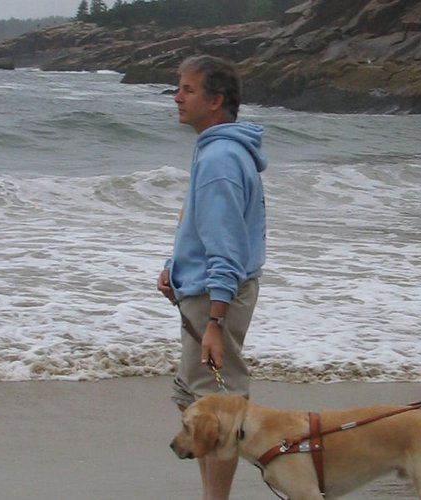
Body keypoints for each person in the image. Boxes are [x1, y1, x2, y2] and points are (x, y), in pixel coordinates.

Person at [156, 54, 267, 500]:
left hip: (216, 296)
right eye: (178, 88)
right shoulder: (220, 149)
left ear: (216, 100)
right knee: (194, 397)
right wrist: (175, 266)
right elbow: (203, 227)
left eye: (187, 89)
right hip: (205, 289)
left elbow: (226, 247)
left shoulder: (220, 157)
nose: (178, 97)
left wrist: (216, 322)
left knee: (216, 406)